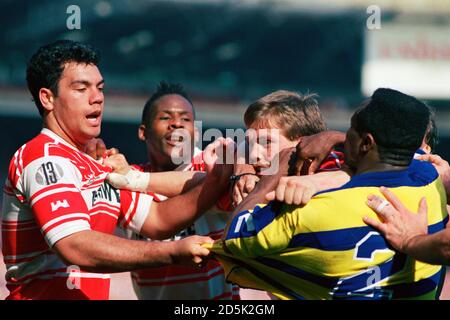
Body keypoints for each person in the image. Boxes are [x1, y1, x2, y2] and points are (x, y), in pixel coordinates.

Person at [1, 40, 232, 300]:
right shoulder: (43, 158)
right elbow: (75, 246)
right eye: (81, 88)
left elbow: (157, 219)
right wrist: (172, 252)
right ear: (47, 98)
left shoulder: (97, 166)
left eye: (100, 88)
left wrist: (219, 177)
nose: (97, 97)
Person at [208, 88, 448, 299]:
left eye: (350, 129)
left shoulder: (311, 211)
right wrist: (332, 140)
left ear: (365, 143)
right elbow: (413, 156)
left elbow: (235, 237)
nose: (343, 134)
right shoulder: (431, 182)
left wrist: (270, 178)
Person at [109, 81, 239, 300]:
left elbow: (212, 176)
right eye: (165, 117)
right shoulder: (122, 179)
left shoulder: (211, 166)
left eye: (185, 119)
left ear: (196, 133)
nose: (176, 124)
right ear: (143, 131)